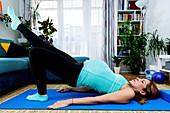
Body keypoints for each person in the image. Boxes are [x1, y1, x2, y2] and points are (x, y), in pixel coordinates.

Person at [7, 6, 160, 109]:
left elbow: (98, 99)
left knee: (35, 52)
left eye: (142, 82)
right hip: (79, 67)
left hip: (77, 73)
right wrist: (73, 89)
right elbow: (98, 87)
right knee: (44, 47)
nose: (138, 79)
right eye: (142, 79)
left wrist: (70, 101)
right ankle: (19, 25)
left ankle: (41, 94)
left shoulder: (128, 93)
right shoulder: (124, 85)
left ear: (143, 92)